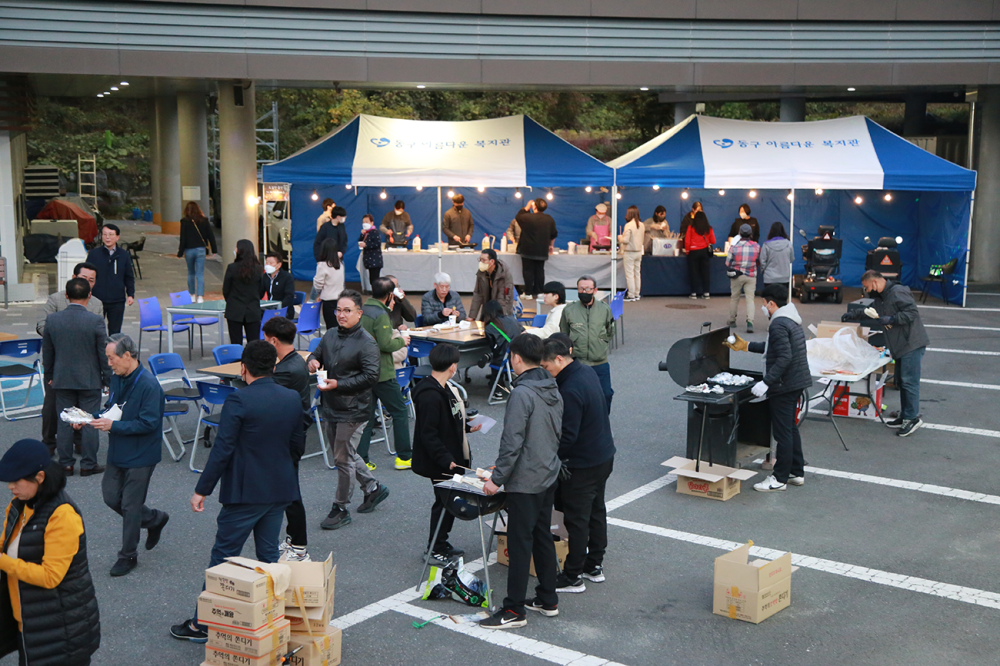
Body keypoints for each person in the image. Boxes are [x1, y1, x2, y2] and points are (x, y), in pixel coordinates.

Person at [170, 341, 304, 642]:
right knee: (268, 555)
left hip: (246, 491)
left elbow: (223, 449)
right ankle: (272, 617)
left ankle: (203, 623)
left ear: (243, 368)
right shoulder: (291, 397)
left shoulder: (239, 400)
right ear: (274, 365)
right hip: (280, 486)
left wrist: (202, 489)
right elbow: (297, 444)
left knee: (224, 557)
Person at [481, 334, 562, 629]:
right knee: (542, 536)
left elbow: (512, 440)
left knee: (519, 544)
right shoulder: (551, 385)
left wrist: (497, 478)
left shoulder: (522, 393)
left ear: (516, 358)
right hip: (547, 472)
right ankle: (548, 598)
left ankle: (514, 610)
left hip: (526, 480)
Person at [0, 440, 101, 666]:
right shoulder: (19, 504)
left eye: (16, 481)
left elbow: (50, 576)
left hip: (61, 630)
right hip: (31, 621)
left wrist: (2, 562)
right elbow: (6, 544)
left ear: (40, 477)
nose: (10, 487)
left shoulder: (62, 515)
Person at [87, 334, 168, 577]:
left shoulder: (149, 385)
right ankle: (154, 519)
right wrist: (88, 418)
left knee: (130, 506)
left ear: (127, 355)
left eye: (112, 358)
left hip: (142, 453)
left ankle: (128, 555)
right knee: (111, 497)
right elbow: (112, 408)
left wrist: (113, 426)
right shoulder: (117, 378)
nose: (109, 363)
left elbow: (149, 423)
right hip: (119, 448)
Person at [307, 290, 389, 530]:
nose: (341, 315)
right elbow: (315, 355)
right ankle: (373, 487)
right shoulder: (330, 334)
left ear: (359, 313)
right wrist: (311, 361)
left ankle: (340, 508)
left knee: (342, 459)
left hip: (354, 409)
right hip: (331, 404)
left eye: (347, 310)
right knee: (344, 453)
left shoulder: (367, 342)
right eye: (338, 310)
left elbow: (371, 376)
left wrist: (339, 384)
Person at [540, 336, 615, 594]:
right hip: (603, 455)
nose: (546, 372)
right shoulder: (586, 371)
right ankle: (594, 565)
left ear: (559, 359)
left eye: (547, 366)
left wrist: (547, 457)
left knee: (577, 519)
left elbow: (567, 436)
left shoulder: (569, 389)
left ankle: (573, 575)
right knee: (596, 511)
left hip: (582, 463)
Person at [725, 284, 811, 492]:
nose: (763, 308)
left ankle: (779, 479)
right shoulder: (790, 318)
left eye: (763, 304)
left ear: (771, 303)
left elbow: (784, 357)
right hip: (796, 381)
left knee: (782, 433)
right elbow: (776, 348)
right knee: (790, 428)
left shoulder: (778, 324)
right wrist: (746, 346)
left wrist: (766, 382)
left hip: (784, 385)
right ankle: (796, 472)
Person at [411, 343, 483, 565]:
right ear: (452, 366)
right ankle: (435, 548)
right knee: (444, 503)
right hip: (441, 461)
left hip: (449, 458)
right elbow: (428, 433)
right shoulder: (430, 396)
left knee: (448, 502)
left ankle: (440, 543)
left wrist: (467, 427)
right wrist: (446, 459)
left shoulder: (445, 388)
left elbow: (448, 421)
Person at [844, 270, 929, 437]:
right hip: (900, 345)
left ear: (875, 282)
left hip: (911, 343)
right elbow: (870, 311)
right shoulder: (881, 298)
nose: (867, 290)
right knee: (902, 382)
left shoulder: (897, 292)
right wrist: (852, 315)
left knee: (909, 382)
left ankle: (912, 418)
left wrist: (892, 319)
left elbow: (912, 313)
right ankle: (905, 415)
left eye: (867, 287)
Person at [42, 277, 111, 477]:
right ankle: (88, 464)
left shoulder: (53, 320)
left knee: (64, 420)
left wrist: (50, 375)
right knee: (89, 421)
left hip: (62, 377)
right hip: (89, 379)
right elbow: (102, 353)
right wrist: (107, 379)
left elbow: (48, 351)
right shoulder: (95, 320)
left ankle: (66, 464)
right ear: (89, 295)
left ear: (66, 295)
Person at [37, 262, 103, 456]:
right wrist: (64, 334)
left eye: (92, 280)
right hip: (60, 361)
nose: (88, 282)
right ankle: (49, 442)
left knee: (84, 408)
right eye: (84, 278)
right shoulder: (56, 299)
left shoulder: (97, 304)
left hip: (85, 362)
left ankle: (80, 442)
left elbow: (100, 336)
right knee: (52, 407)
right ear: (74, 278)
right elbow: (42, 325)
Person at [262, 316, 311, 562]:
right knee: (288, 489)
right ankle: (293, 538)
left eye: (265, 340)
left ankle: (299, 546)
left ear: (273, 340)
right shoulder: (295, 361)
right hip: (295, 432)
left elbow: (264, 394)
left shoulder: (285, 370)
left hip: (288, 436)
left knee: (290, 492)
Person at [356, 278, 413, 470]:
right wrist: (402, 342)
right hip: (382, 372)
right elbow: (385, 344)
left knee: (367, 417)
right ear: (389, 296)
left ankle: (362, 460)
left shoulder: (364, 310)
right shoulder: (381, 315)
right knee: (400, 411)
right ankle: (404, 457)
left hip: (364, 370)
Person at [559, 275, 615, 412]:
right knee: (577, 398)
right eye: (581, 289)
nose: (584, 292)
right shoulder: (569, 310)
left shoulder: (604, 309)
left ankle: (603, 422)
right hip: (578, 362)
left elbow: (610, 331)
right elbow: (564, 333)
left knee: (606, 395)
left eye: (588, 289)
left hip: (600, 362)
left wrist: (601, 343)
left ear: (595, 290)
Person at [85, 223, 135, 335]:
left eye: (111, 234)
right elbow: (86, 275)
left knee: (115, 332)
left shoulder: (123, 255)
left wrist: (130, 294)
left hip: (117, 300)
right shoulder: (94, 254)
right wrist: (86, 291)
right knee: (95, 330)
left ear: (117, 237)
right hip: (97, 299)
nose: (107, 237)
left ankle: (112, 347)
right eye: (105, 234)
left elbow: (129, 276)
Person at [514, 198, 558, 299]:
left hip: (527, 249)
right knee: (540, 271)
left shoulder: (527, 218)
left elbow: (518, 216)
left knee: (528, 271)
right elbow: (553, 234)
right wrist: (551, 245)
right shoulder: (549, 219)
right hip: (542, 250)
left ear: (534, 207)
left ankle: (528, 293)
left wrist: (527, 207)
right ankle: (540, 292)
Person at [223, 239, 264, 344]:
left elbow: (226, 289)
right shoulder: (258, 269)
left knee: (235, 341)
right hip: (253, 309)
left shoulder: (232, 267)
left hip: (234, 309)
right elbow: (262, 290)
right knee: (254, 341)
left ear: (240, 250)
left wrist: (231, 301)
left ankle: (237, 355)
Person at [177, 201, 218, 303]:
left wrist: (180, 252)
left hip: (189, 250)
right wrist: (214, 249)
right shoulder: (204, 220)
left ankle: (191, 295)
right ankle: (200, 296)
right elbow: (210, 235)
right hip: (200, 250)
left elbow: (183, 238)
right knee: (200, 274)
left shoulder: (184, 221)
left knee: (191, 273)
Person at [726, 223, 761, 333]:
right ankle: (750, 322)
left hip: (737, 275)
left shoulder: (734, 247)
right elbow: (759, 261)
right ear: (751, 234)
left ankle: (732, 320)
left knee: (734, 298)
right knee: (750, 299)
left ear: (739, 234)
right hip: (751, 275)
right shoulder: (756, 246)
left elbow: (727, 263)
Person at [468, 248, 513, 320]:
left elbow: (504, 299)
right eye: (480, 259)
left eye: (484, 260)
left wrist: (500, 319)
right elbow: (478, 294)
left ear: (492, 261)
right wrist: (472, 316)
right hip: (487, 308)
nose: (481, 262)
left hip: (502, 311)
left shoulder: (504, 275)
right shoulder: (481, 272)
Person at [313, 238, 345, 330]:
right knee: (340, 325)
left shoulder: (322, 265)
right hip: (340, 298)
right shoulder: (340, 264)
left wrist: (319, 291)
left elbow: (318, 284)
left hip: (328, 300)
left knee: (331, 327)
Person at [684, 210, 715, 300]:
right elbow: (713, 241)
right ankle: (706, 293)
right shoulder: (709, 228)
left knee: (694, 273)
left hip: (693, 252)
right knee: (705, 273)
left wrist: (687, 251)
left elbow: (687, 241)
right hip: (704, 252)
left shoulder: (691, 227)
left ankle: (694, 293)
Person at [618, 205, 645, 301]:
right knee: (637, 273)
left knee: (629, 274)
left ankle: (631, 294)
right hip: (639, 252)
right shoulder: (642, 225)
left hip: (629, 253)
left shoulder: (628, 225)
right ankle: (637, 293)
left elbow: (625, 240)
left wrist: (620, 238)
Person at [260, 252, 296, 319]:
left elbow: (289, 296)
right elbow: (260, 293)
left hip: (284, 310)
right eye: (267, 263)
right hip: (269, 308)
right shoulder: (265, 276)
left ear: (279, 265)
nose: (268, 265)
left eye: (271, 263)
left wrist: (279, 307)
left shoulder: (287, 277)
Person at [759, 222, 794, 288]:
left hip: (769, 277)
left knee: (770, 295)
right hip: (784, 278)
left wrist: (763, 270)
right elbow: (791, 259)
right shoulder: (789, 244)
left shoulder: (766, 245)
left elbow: (762, 261)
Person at [359, 213, 383, 288]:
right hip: (369, 261)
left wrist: (366, 245)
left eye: (367, 222)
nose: (364, 224)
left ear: (372, 223)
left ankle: (377, 293)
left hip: (375, 260)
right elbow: (360, 241)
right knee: (372, 280)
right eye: (363, 222)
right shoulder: (365, 233)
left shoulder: (375, 232)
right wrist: (362, 235)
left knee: (375, 279)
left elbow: (377, 243)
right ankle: (375, 292)